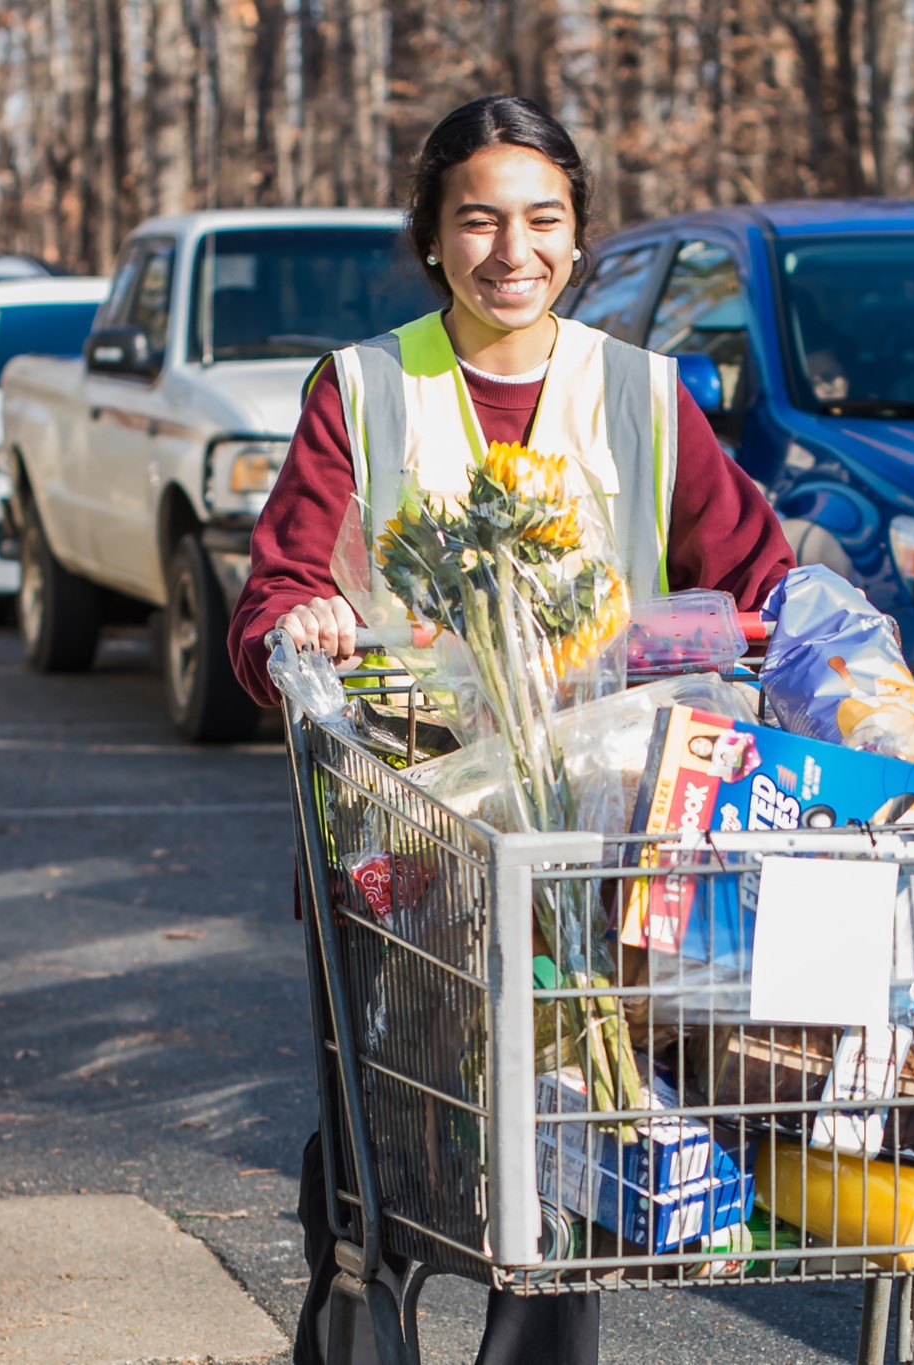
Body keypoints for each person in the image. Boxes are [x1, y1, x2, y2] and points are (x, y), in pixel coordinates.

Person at [228, 93, 794, 1365]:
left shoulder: (644, 396)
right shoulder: (364, 389)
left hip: (587, 832)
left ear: (580, 235)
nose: (512, 251)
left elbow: (755, 575)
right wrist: (302, 619)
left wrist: (797, 651)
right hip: (404, 832)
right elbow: (273, 587)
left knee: (566, 1129)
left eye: (543, 220)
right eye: (477, 220)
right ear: (432, 234)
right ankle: (357, 1316)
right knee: (388, 1123)